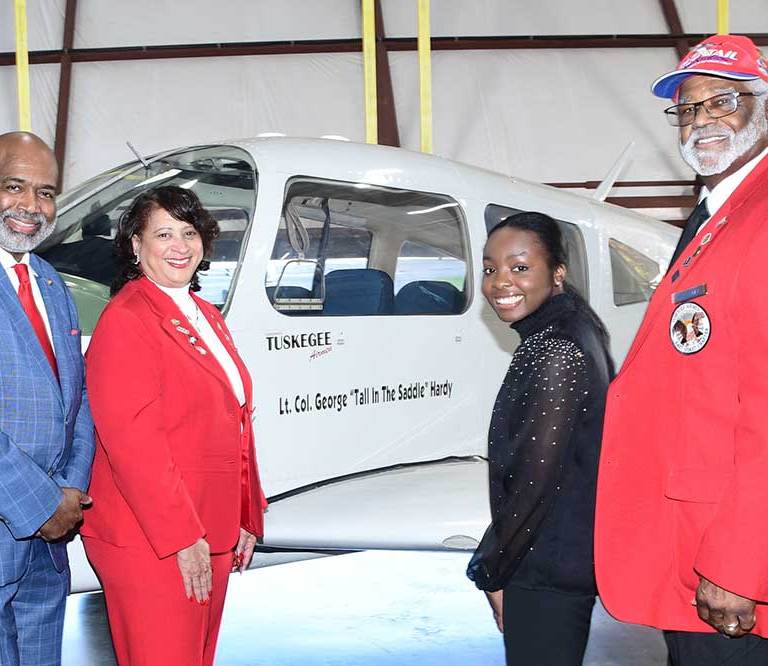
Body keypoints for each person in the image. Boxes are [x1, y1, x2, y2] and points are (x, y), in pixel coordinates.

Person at [595, 34, 768, 664]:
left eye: (725, 102)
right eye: (688, 109)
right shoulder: (717, 215)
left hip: (727, 559)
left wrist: (737, 562)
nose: (702, 121)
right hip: (687, 544)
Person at [81, 185, 267, 665]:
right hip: (155, 539)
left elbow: (235, 420)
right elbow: (133, 444)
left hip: (213, 525)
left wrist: (246, 511)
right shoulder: (128, 318)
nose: (179, 245)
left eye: (188, 232)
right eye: (163, 234)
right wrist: (183, 537)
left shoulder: (203, 314)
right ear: (136, 246)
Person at [467, 212, 614, 665]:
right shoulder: (569, 330)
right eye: (491, 269)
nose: (500, 282)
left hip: (546, 564)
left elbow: (535, 481)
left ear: (558, 273)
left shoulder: (554, 348)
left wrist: (491, 570)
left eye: (520, 267)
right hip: (556, 557)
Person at [0, 131, 95, 665]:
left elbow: (75, 401)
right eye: (14, 186)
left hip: (49, 540)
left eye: (46, 192)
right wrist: (39, 504)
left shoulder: (52, 282)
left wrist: (70, 491)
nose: (31, 207)